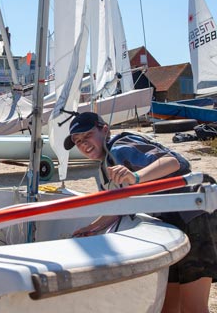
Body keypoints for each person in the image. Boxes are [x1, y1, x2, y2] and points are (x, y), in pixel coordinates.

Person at [64, 112, 217, 313]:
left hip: (194, 218)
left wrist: (136, 177)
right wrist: (92, 227)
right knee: (167, 307)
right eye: (77, 141)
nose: (83, 143)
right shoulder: (107, 164)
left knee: (193, 308)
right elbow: (121, 205)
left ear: (105, 130)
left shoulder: (120, 147)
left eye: (87, 135)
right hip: (172, 228)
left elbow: (174, 162)